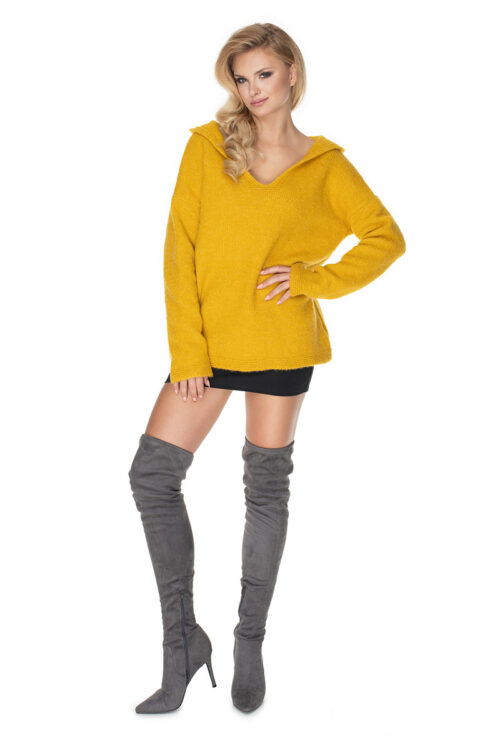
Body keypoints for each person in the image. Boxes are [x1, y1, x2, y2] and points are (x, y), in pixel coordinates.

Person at [128, 22, 406, 715]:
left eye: (263, 74)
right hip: (210, 345)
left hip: (281, 345)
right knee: (153, 474)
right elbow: (179, 250)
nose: (252, 89)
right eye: (241, 77)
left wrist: (313, 278)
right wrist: (188, 352)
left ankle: (248, 640)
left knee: (265, 488)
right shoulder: (208, 147)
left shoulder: (326, 165)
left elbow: (386, 237)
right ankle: (181, 642)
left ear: (291, 73)